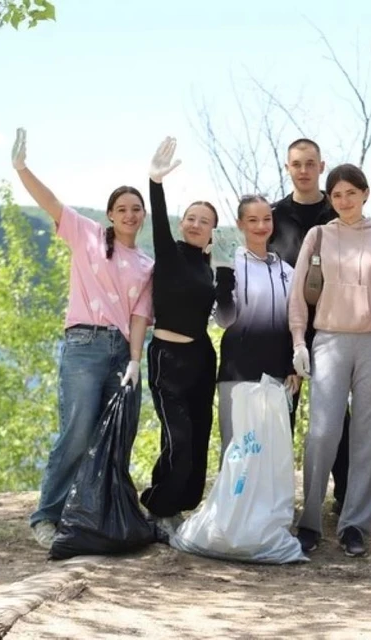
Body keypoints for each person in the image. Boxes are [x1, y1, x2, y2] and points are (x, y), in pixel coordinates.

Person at [11, 128, 153, 549]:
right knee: (76, 433)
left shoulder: (146, 264)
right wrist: (22, 168)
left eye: (136, 209)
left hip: (121, 353)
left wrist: (135, 361)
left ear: (144, 215)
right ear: (110, 214)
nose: (129, 214)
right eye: (121, 209)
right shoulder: (87, 234)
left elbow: (140, 316)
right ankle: (46, 516)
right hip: (84, 347)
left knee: (116, 437)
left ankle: (100, 515)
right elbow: (50, 202)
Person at [288, 163, 371, 557]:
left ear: (365, 193)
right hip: (329, 339)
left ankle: (355, 524)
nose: (344, 200)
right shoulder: (318, 236)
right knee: (322, 432)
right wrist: (299, 341)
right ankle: (310, 522)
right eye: (336, 194)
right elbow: (298, 293)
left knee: (368, 434)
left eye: (351, 192)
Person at [137, 136, 219, 538]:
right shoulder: (168, 253)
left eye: (204, 221)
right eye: (190, 217)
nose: (195, 224)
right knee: (179, 438)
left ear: (212, 232)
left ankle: (178, 507)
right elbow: (157, 216)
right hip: (167, 358)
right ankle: (157, 507)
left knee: (199, 437)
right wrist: (155, 181)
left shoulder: (209, 268)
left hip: (201, 359)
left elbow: (224, 312)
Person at [269, 138, 350, 514]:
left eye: (310, 163)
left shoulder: (338, 213)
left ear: (321, 166)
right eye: (296, 164)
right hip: (282, 328)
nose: (303, 170)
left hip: (332, 326)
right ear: (288, 168)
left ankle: (345, 496)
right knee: (279, 412)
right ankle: (274, 499)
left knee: (335, 416)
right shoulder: (273, 215)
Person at [214, 194, 300, 459]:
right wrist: (224, 281)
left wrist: (292, 367)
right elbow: (224, 320)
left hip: (276, 374)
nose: (261, 226)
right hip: (237, 372)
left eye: (266, 219)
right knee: (236, 452)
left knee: (271, 453)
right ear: (240, 224)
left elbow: (293, 321)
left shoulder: (287, 271)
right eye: (252, 220)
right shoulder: (229, 263)